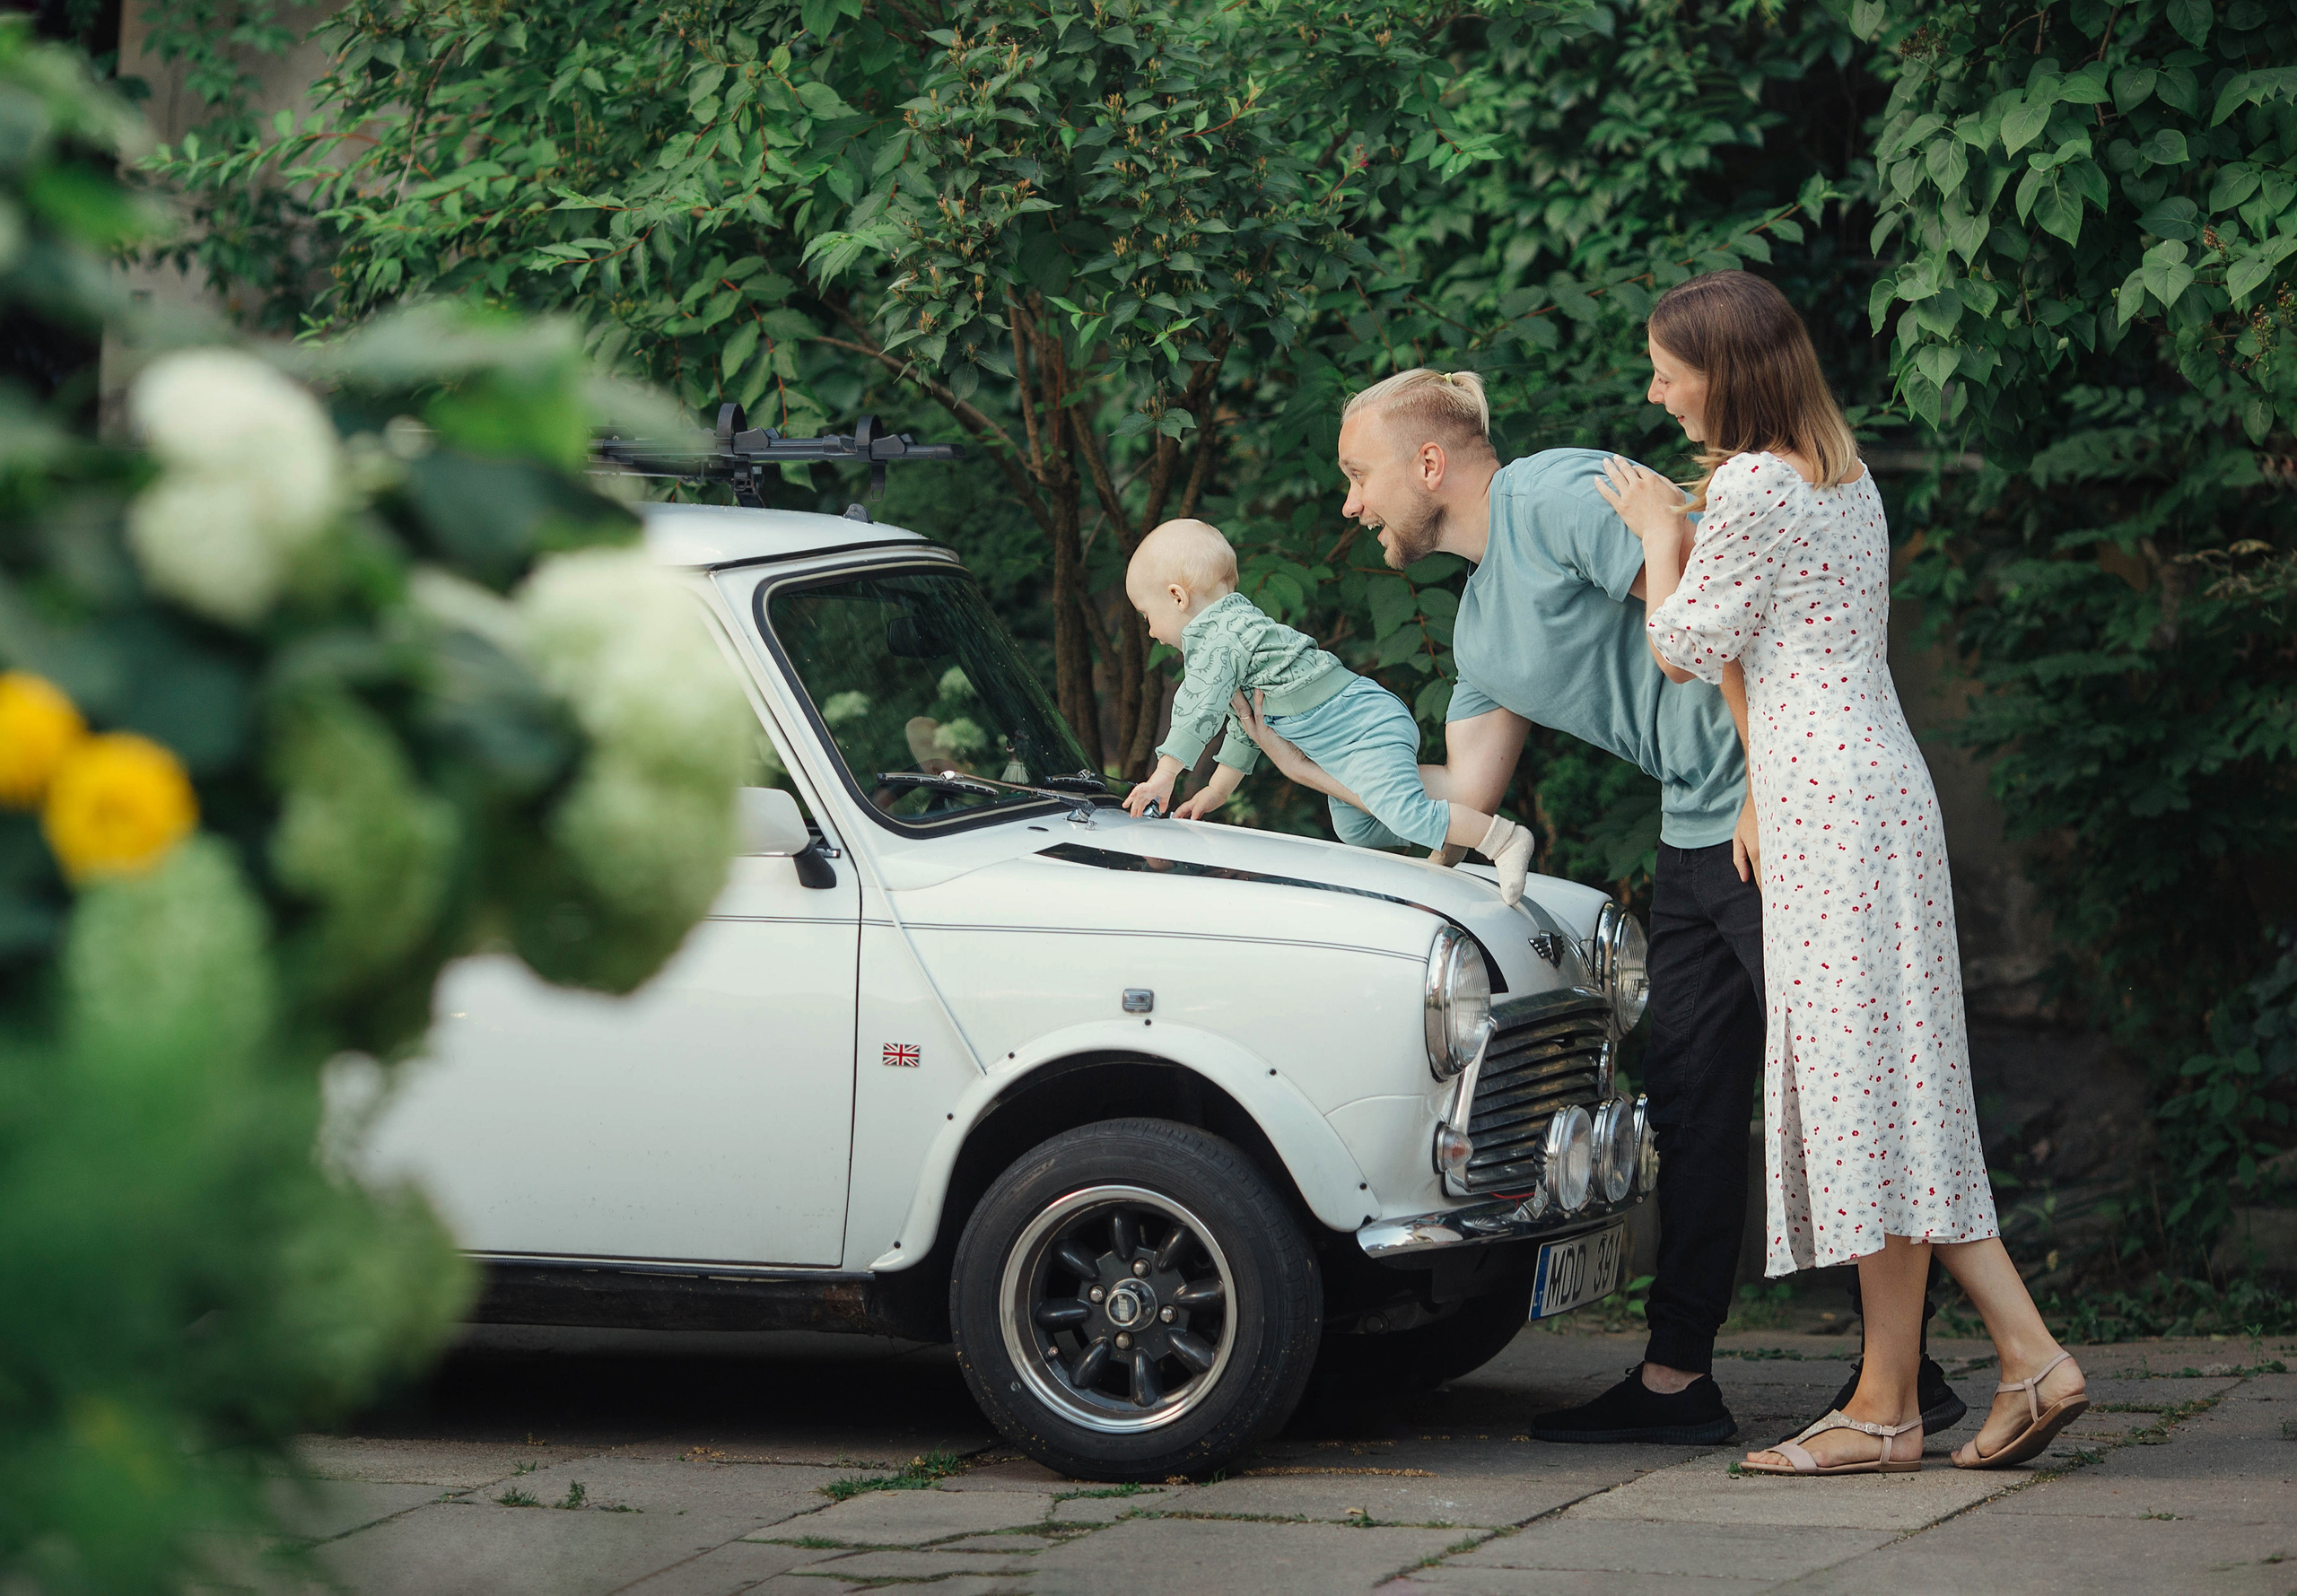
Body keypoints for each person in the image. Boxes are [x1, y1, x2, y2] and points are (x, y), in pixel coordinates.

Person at [1236, 367, 1786, 1444]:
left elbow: (1729, 613)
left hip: (1775, 818)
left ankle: (1910, 1377)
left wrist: (1770, 789)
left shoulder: (1551, 495)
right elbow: (1460, 806)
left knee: (1833, 1088)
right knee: (1690, 1104)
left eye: (1358, 475)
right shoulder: (1478, 632)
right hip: (1692, 836)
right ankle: (1680, 1384)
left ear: (1428, 463)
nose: (1349, 503)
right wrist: (1313, 774)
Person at [1605, 268, 2085, 1474]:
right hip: (1867, 791)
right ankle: (1963, 1375)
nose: (1657, 389)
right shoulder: (1842, 475)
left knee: (1872, 1094)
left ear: (1730, 370)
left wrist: (1666, 536)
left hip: (1834, 813)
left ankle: (1912, 1397)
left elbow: (1684, 645)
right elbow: (1796, 653)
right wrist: (1761, 783)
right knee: (1895, 1090)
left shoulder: (1755, 486)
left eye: (1671, 366)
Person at [1119, 517, 1534, 903]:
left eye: (1146, 615)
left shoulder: (1220, 639)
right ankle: (1443, 836)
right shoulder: (1238, 633)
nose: (1152, 632)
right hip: (1351, 734)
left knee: (1402, 812)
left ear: (1177, 597)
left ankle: (1505, 840)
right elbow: (1248, 725)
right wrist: (1216, 791)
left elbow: (1197, 707)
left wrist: (1164, 777)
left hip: (1360, 725)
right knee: (1356, 829)